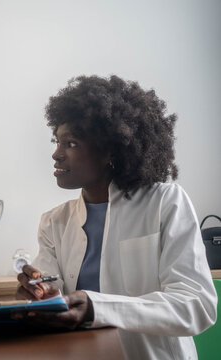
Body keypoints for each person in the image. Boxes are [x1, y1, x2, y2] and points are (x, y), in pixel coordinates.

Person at [15, 75, 217, 359]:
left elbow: (197, 305)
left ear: (110, 149)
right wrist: (41, 296)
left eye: (70, 143)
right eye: (57, 142)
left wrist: (98, 308)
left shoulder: (164, 202)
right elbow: (54, 295)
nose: (56, 155)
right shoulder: (54, 223)